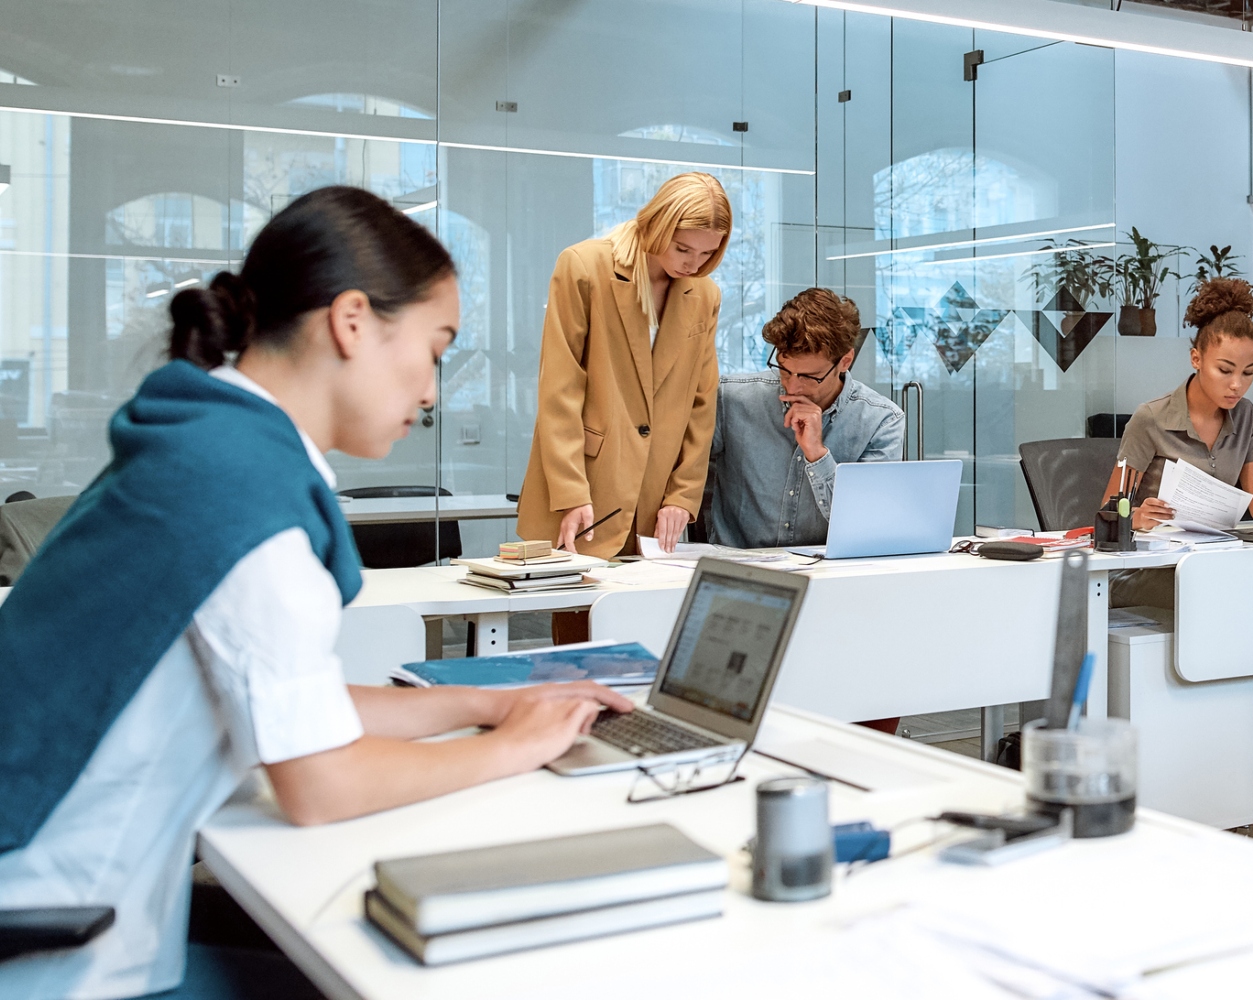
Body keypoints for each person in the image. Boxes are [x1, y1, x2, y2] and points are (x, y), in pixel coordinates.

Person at [0, 187, 630, 1000]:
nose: (433, 390)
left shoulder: (201, 446)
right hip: (64, 945)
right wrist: (515, 749)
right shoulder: (242, 494)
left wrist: (484, 705)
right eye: (435, 349)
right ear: (353, 321)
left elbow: (295, 698)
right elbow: (320, 784)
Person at [515, 172, 731, 559]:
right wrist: (570, 490)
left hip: (655, 502)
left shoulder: (705, 294)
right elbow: (559, 390)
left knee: (643, 618)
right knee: (581, 617)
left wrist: (683, 495)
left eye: (707, 254)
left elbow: (702, 404)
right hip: (585, 489)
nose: (694, 264)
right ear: (658, 224)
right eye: (683, 249)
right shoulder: (584, 267)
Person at [1106, 276, 1253, 609]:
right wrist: (1135, 517)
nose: (1237, 385)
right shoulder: (1151, 419)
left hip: (1213, 562)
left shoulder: (1244, 416)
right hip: (1149, 571)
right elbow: (1108, 514)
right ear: (1196, 359)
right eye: (1225, 370)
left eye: (1248, 372)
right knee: (1234, 596)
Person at [706, 287, 905, 549]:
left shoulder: (881, 420)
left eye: (810, 376)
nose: (793, 387)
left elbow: (866, 523)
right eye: (784, 370)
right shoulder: (731, 399)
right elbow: (679, 472)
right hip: (737, 571)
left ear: (845, 361)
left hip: (828, 575)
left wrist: (818, 455)